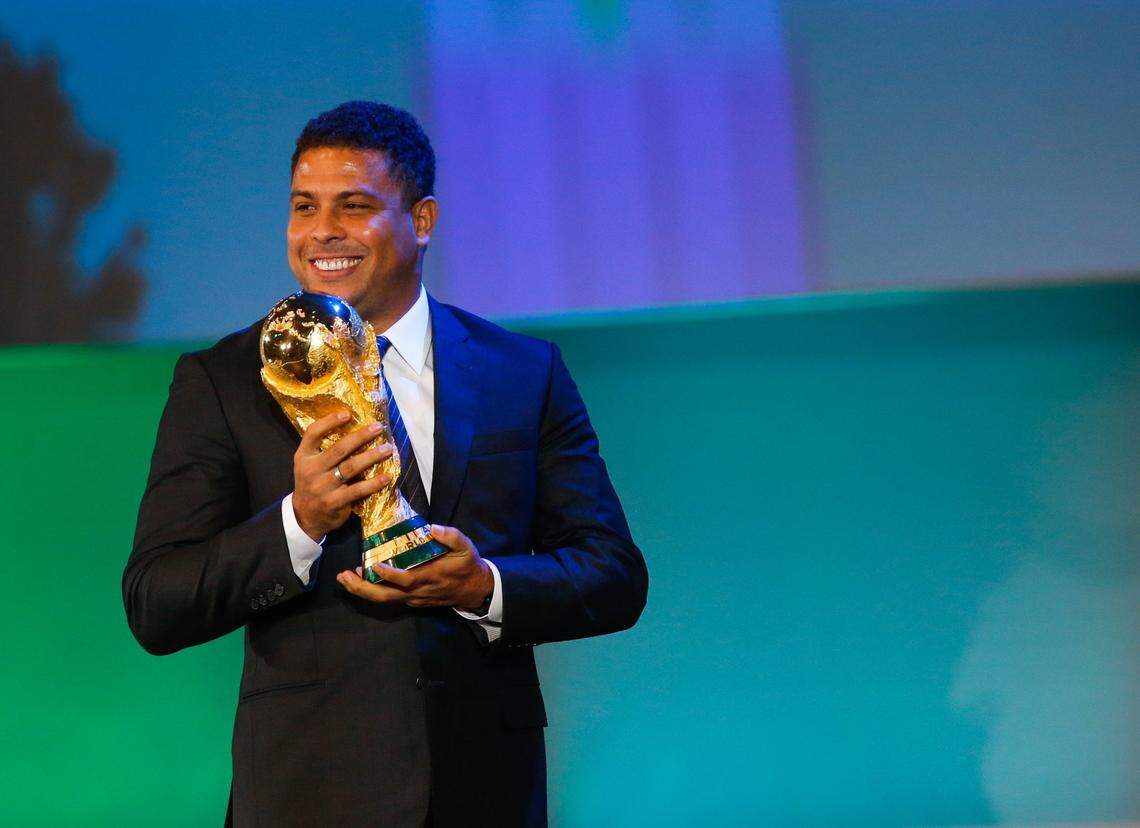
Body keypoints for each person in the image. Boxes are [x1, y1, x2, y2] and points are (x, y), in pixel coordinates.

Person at [123, 101, 647, 827]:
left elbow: (613, 575)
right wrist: (299, 523)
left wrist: (485, 584)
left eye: (355, 206)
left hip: (483, 792)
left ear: (422, 220)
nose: (322, 233)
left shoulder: (522, 373)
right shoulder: (224, 380)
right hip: (307, 793)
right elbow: (157, 601)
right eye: (304, 207)